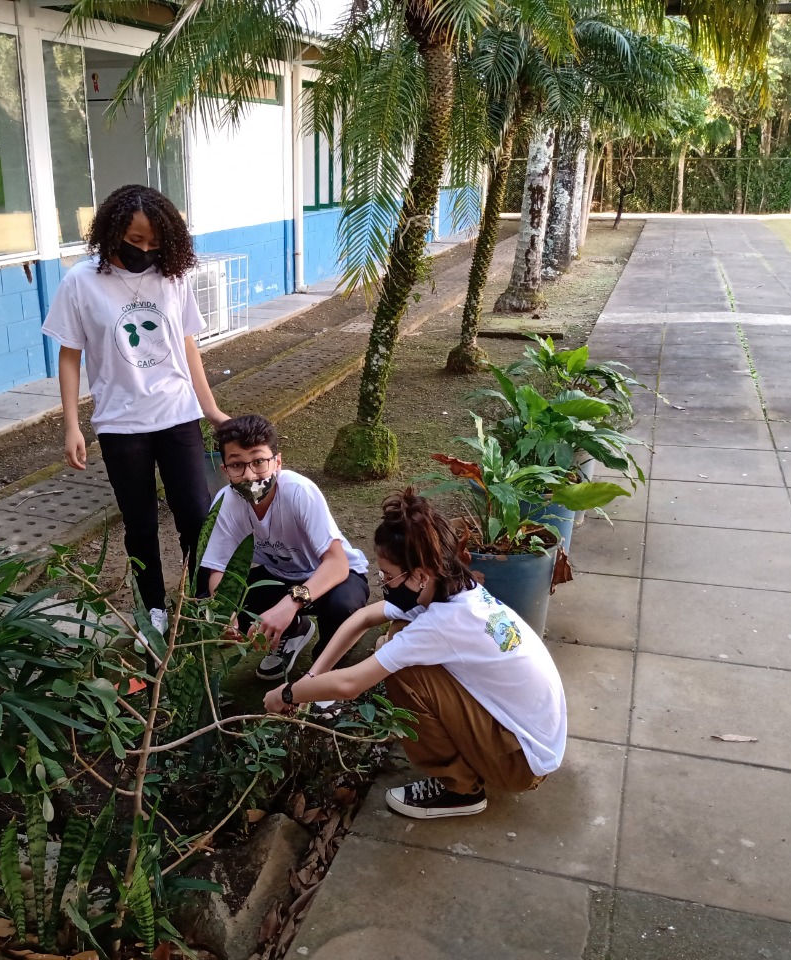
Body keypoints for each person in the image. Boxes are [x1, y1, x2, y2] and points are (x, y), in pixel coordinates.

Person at [261, 489, 567, 819]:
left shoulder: (442, 623)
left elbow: (351, 684)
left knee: (403, 672)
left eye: (388, 576)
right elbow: (363, 617)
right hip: (533, 741)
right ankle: (466, 759)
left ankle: (460, 791)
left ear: (420, 575)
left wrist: (286, 693)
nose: (383, 584)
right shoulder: (455, 589)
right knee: (398, 638)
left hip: (521, 763)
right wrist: (313, 677)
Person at [43, 184, 228, 630]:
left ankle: (203, 603)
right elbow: (69, 357)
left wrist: (213, 411)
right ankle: (154, 609)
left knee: (196, 518)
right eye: (135, 240)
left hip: (177, 414)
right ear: (112, 231)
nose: (145, 250)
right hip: (121, 423)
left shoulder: (173, 276)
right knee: (140, 525)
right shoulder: (81, 281)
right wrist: (72, 425)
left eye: (154, 242)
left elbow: (188, 349)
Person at [201, 414, 370, 680]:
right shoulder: (226, 504)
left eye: (259, 461)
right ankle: (293, 631)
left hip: (335, 576)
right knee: (209, 605)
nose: (249, 475)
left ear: (277, 462)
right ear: (225, 470)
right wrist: (226, 613)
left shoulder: (299, 491)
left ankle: (325, 671)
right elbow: (218, 569)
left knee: (342, 607)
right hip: (279, 576)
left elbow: (337, 564)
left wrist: (290, 604)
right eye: (237, 465)